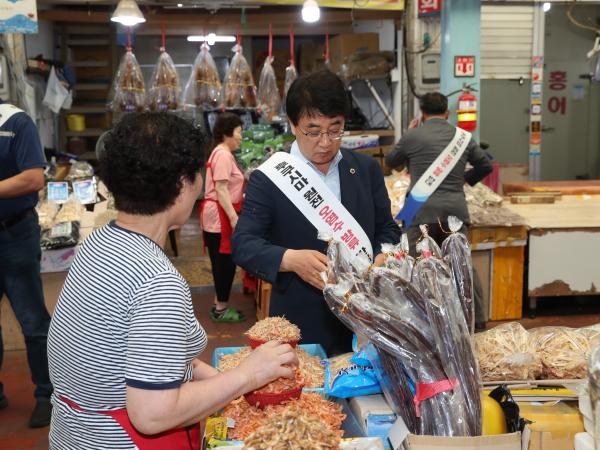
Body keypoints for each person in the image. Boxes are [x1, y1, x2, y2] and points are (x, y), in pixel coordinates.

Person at [47, 113, 297, 449]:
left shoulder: (101, 242)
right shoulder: (157, 282)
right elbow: (152, 415)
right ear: (183, 183)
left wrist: (229, 384)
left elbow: (148, 357)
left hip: (74, 435)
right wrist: (248, 375)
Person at [232, 70, 401, 355]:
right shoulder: (270, 177)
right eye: (313, 131)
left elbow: (387, 231)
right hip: (302, 323)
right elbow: (244, 244)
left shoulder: (365, 169)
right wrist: (289, 259)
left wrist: (385, 255)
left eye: (335, 130)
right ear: (293, 125)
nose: (325, 142)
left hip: (365, 318)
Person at [385, 92, 492, 329]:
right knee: (462, 265)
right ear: (447, 113)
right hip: (454, 211)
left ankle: (414, 321)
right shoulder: (463, 138)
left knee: (414, 264)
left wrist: (408, 133)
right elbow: (486, 165)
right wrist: (464, 179)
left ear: (421, 114)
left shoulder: (413, 135)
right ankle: (479, 322)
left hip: (420, 211)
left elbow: (391, 161)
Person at [0, 102, 53, 427]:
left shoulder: (15, 122)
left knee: (32, 322)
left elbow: (34, 178)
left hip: (15, 235)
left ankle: (46, 394)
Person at [200, 112, 245, 323]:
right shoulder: (224, 155)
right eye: (238, 132)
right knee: (224, 263)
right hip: (220, 216)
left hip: (217, 214)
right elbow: (221, 189)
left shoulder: (220, 152)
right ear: (227, 133)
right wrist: (233, 217)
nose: (241, 137)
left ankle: (219, 303)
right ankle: (221, 309)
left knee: (222, 261)